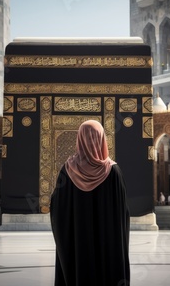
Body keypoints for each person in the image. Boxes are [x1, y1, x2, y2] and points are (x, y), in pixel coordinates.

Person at [50, 120, 130, 286]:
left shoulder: (67, 170)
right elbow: (122, 217)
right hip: (107, 250)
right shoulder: (113, 172)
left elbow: (57, 211)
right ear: (102, 139)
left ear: (79, 139)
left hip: (78, 249)